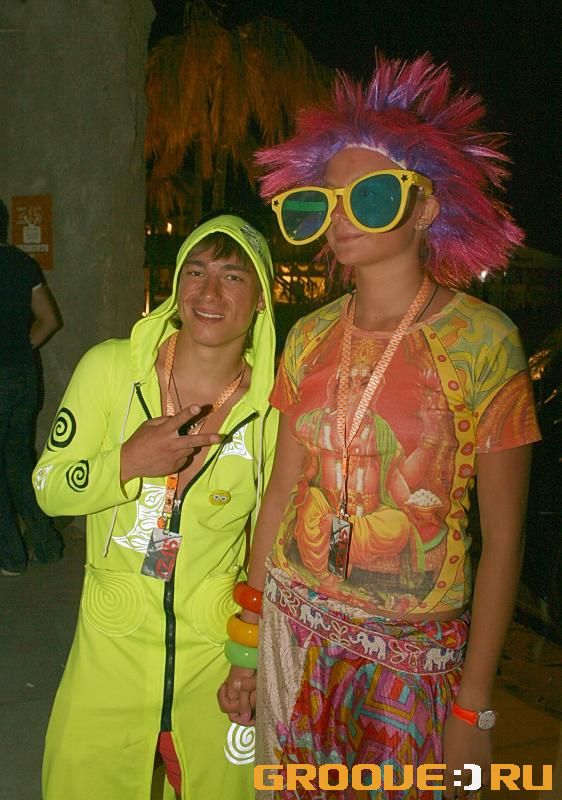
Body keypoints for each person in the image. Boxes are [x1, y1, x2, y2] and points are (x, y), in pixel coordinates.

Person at [218, 55, 541, 799]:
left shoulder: (485, 342)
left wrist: (474, 706)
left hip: (413, 660)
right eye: (325, 201)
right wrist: (247, 649)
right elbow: (279, 496)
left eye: (368, 196)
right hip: (293, 637)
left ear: (425, 208)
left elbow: (503, 541)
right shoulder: (307, 338)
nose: (341, 217)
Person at [33, 214, 278, 800]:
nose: (209, 292)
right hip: (109, 649)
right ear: (175, 285)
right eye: (195, 271)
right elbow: (48, 488)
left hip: (212, 656)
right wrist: (127, 461)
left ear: (261, 302)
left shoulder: (274, 407)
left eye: (232, 277)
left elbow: (274, 545)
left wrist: (248, 653)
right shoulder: (111, 369)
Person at [0, 199, 63, 576]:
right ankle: (46, 545)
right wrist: (21, 349)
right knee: (18, 461)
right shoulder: (23, 264)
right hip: (25, 375)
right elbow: (49, 319)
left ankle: (10, 556)